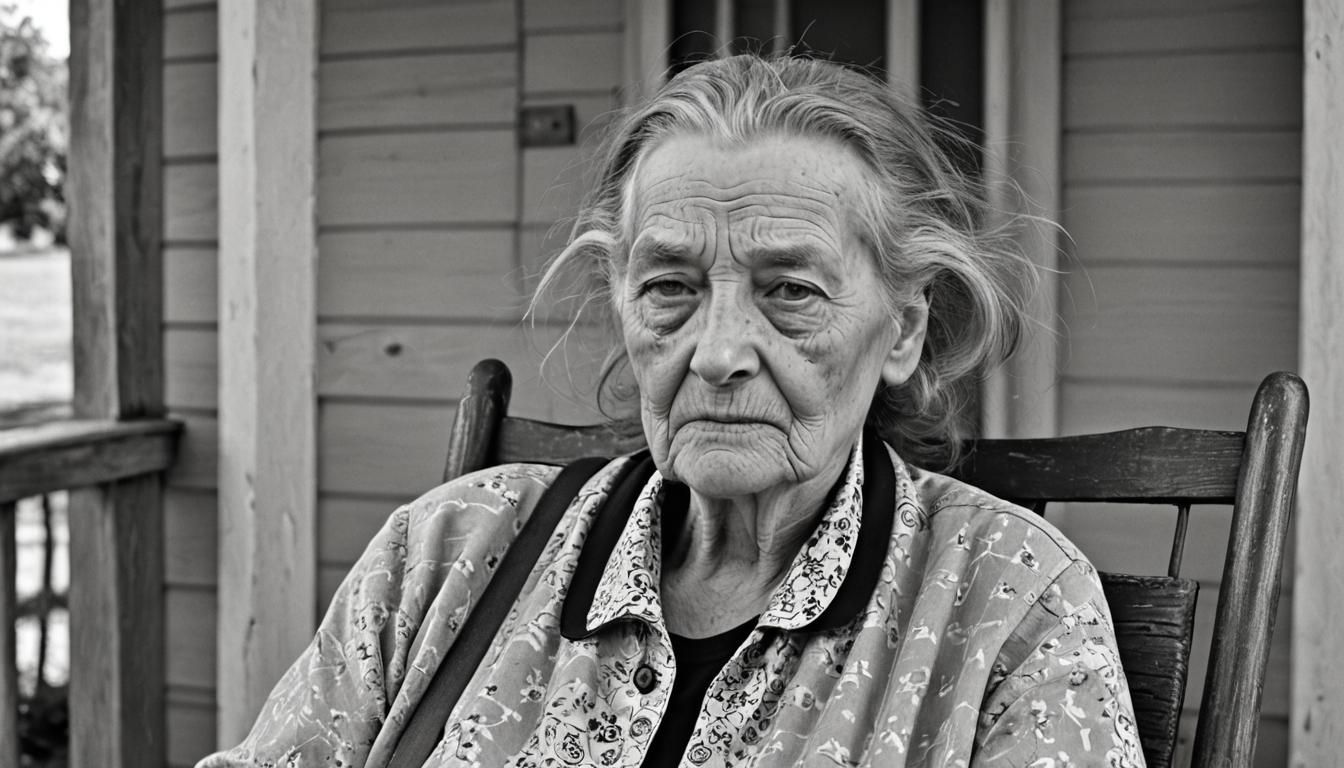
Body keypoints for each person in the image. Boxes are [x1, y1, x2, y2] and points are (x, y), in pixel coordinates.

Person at [200, 55, 1145, 768]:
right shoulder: (446, 554)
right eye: (670, 286)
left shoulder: (1007, 600)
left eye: (791, 292)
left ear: (901, 329)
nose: (720, 350)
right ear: (620, 300)